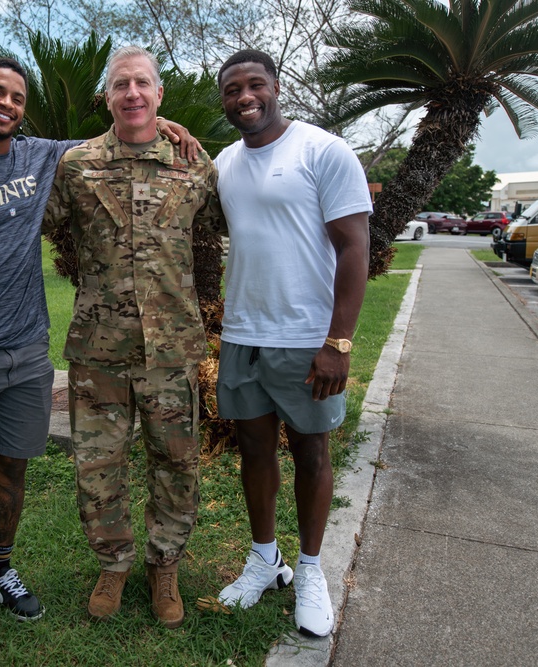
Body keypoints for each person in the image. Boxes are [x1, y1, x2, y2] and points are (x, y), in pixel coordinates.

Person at [0, 57, 200, 655]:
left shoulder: (42, 156)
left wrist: (163, 121)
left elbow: (127, 131)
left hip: (26, 349)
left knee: (14, 469)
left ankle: (0, 571)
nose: (7, 103)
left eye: (17, 97)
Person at [43, 46, 225, 629]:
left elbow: (232, 226)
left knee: (176, 464)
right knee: (99, 468)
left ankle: (164, 566)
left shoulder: (196, 163)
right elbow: (31, 218)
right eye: (121, 84)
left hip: (172, 350)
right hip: (99, 350)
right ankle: (115, 564)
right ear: (107, 96)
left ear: (159, 94)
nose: (132, 94)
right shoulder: (76, 165)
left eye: (142, 83)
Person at [212, 50, 371, 638]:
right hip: (242, 336)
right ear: (224, 99)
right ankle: (264, 560)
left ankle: (308, 570)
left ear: (277, 88)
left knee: (311, 455)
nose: (245, 97)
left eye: (255, 85)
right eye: (232, 90)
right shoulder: (224, 162)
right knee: (254, 453)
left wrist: (339, 343)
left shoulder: (322, 151)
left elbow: (355, 247)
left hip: (308, 342)